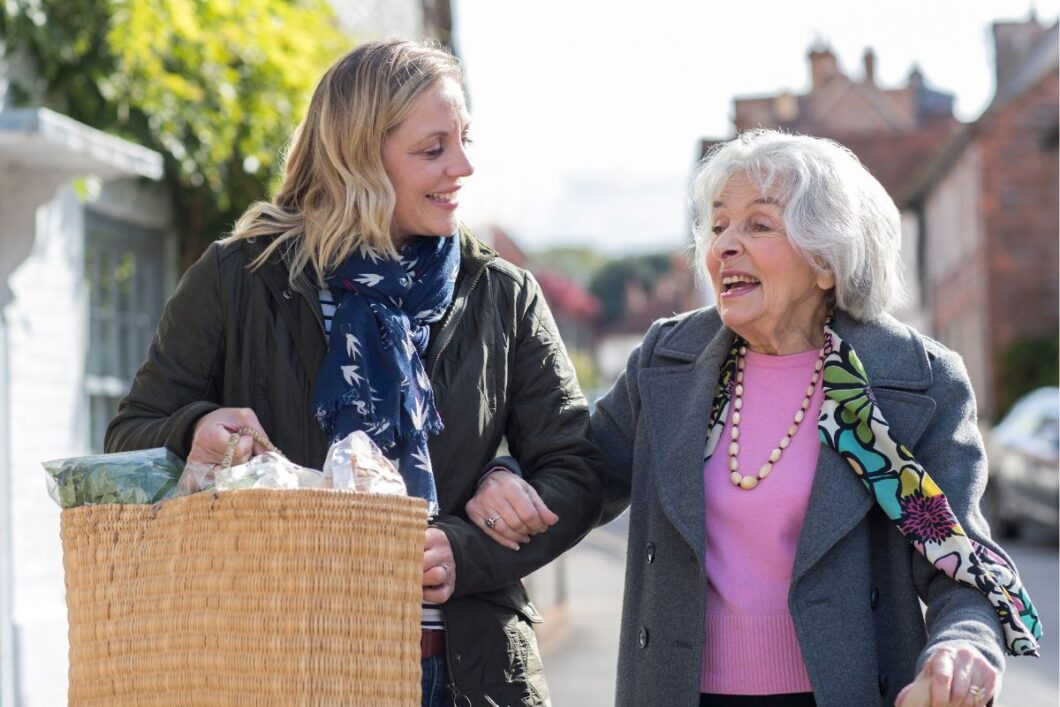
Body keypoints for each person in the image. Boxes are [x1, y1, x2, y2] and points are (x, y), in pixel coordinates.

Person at [105, 39, 602, 707]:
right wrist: (195, 426)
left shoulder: (502, 293)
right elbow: (127, 437)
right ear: (359, 158)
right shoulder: (238, 280)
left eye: (464, 140)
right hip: (280, 670)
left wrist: (469, 544)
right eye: (433, 149)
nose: (464, 166)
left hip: (468, 677)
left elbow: (576, 469)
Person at [468, 129, 1041, 707]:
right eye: (718, 227)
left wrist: (962, 646)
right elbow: (579, 477)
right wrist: (504, 482)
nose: (723, 248)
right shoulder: (669, 362)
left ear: (826, 260)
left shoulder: (915, 378)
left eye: (759, 225)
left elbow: (957, 559)